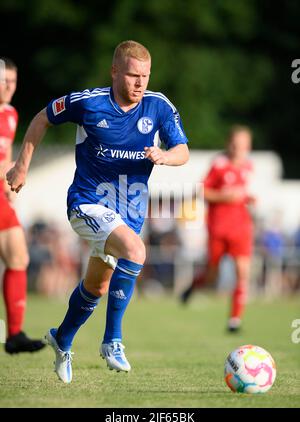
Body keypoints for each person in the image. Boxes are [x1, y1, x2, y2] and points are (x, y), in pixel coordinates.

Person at [6, 41, 189, 383]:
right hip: (87, 204)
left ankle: (62, 337)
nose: (140, 83)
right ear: (115, 71)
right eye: (133, 75)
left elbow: (182, 150)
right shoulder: (89, 103)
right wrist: (21, 166)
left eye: (145, 76)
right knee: (136, 251)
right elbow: (43, 118)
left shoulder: (158, 107)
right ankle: (113, 341)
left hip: (127, 216)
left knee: (97, 287)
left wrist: (166, 157)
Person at [180, 126, 255, 333]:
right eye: (235, 144)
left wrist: (249, 198)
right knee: (212, 275)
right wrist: (225, 196)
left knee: (243, 272)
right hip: (218, 228)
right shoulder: (219, 165)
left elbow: (242, 194)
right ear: (229, 144)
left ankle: (234, 320)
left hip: (241, 227)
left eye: (243, 145)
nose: (238, 148)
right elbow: (202, 191)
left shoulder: (249, 167)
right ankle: (194, 287)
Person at [0, 57, 45, 353]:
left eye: (13, 81)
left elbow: (4, 156)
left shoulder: (11, 115)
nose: (8, 87)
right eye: (3, 80)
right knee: (17, 257)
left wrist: (9, 185)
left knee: (18, 257)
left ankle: (15, 334)